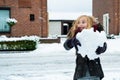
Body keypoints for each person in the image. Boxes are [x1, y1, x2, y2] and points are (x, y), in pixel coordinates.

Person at [63, 15, 107, 80]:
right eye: (78, 22)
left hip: (95, 71)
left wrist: (101, 48)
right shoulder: (76, 35)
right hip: (81, 72)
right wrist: (72, 42)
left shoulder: (95, 34)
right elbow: (66, 46)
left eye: (83, 22)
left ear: (90, 23)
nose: (80, 24)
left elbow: (104, 45)